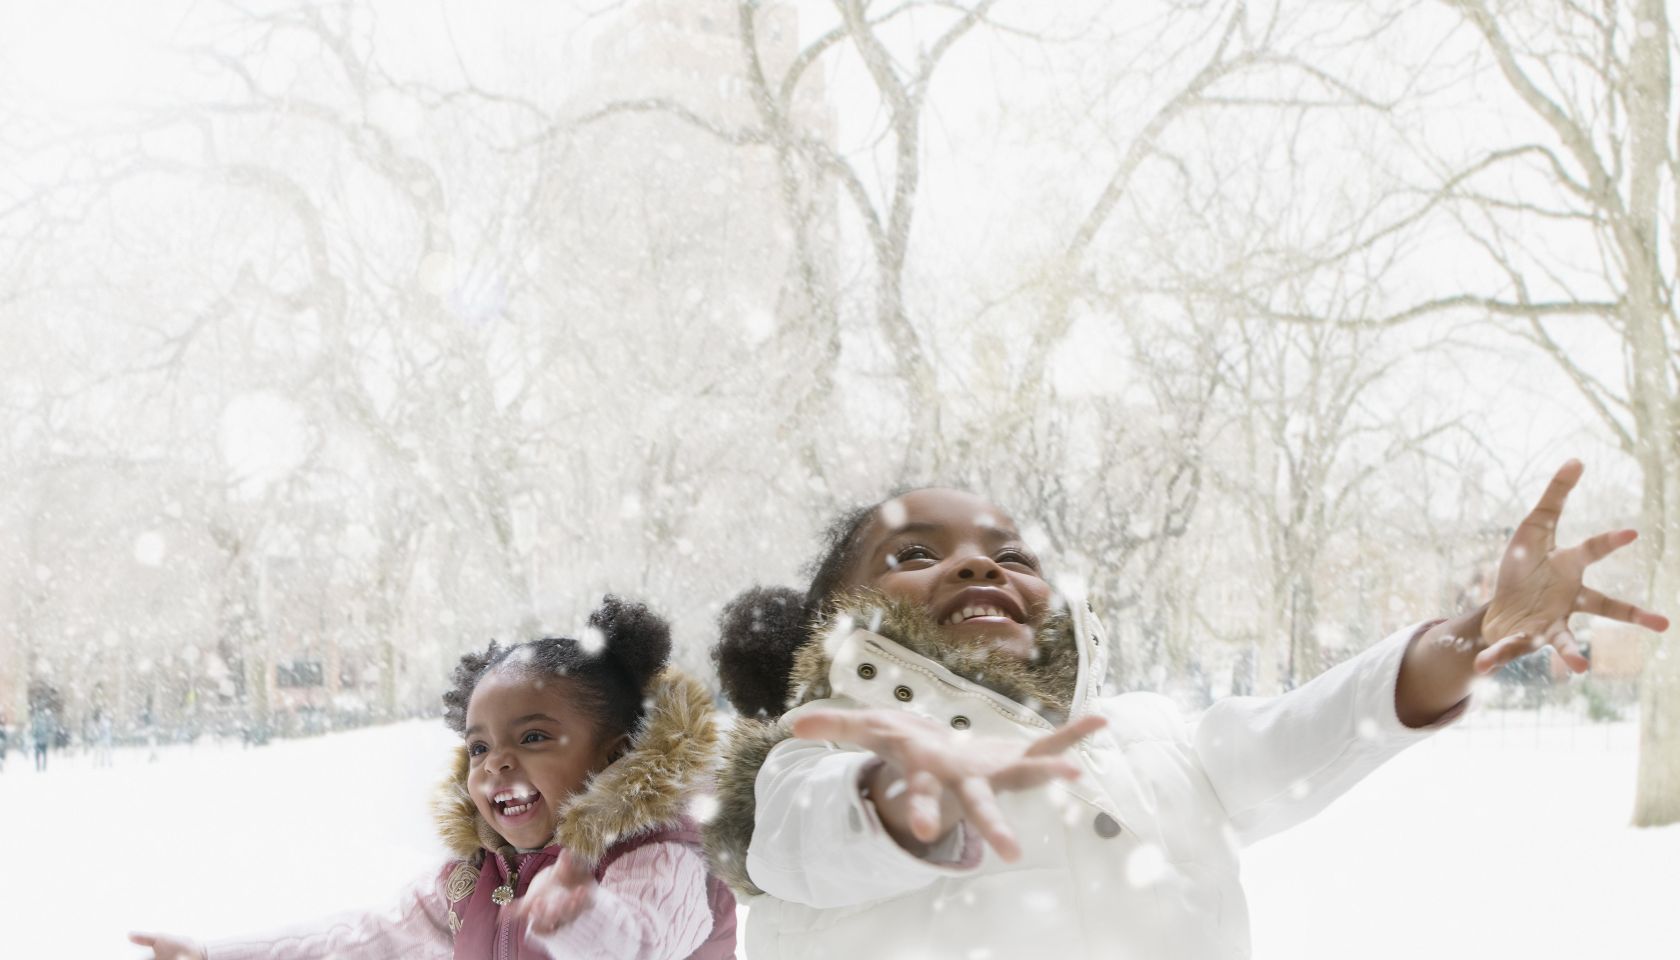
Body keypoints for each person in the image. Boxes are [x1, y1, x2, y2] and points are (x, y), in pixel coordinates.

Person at [704, 461, 1668, 959]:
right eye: (914, 553)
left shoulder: (1148, 736)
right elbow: (806, 839)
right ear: (831, 624)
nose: (977, 563)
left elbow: (1314, 730)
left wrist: (1472, 633)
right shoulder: (804, 764)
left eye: (1013, 553)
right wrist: (905, 796)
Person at [130, 596, 737, 960]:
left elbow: (643, 941)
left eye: (532, 738)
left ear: (615, 755)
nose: (495, 763)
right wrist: (217, 954)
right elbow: (363, 940)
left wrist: (581, 916)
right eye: (478, 747)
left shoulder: (660, 857)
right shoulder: (471, 883)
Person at [31, 704, 53, 772]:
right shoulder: (45, 720)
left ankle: (39, 766)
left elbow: (34, 731)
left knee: (38, 755)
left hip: (38, 742)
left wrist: (34, 735)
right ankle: (43, 766)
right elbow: (49, 730)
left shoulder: (36, 720)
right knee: (44, 755)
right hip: (43, 741)